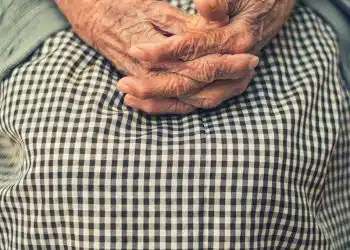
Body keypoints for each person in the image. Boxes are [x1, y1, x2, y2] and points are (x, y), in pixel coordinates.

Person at [0, 0, 349, 249]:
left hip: (295, 19)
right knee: (65, 172)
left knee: (261, 180)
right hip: (50, 18)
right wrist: (90, 9)